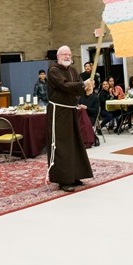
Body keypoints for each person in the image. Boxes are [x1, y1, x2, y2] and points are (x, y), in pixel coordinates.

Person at [46, 45, 94, 192]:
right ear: (58, 56)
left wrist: (88, 90)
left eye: (69, 54)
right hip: (58, 112)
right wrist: (82, 84)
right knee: (61, 145)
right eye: (64, 54)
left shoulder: (73, 71)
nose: (67, 57)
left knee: (74, 143)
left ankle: (75, 175)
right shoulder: (53, 70)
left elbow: (78, 89)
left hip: (71, 110)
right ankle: (63, 179)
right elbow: (65, 85)